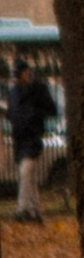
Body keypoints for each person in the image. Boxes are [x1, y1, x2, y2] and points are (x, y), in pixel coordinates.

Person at [9, 54, 57, 222]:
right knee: (30, 176)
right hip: (20, 138)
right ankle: (35, 211)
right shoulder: (14, 92)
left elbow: (51, 109)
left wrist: (35, 117)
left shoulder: (37, 89)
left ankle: (22, 209)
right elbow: (13, 113)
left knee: (26, 172)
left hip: (31, 138)